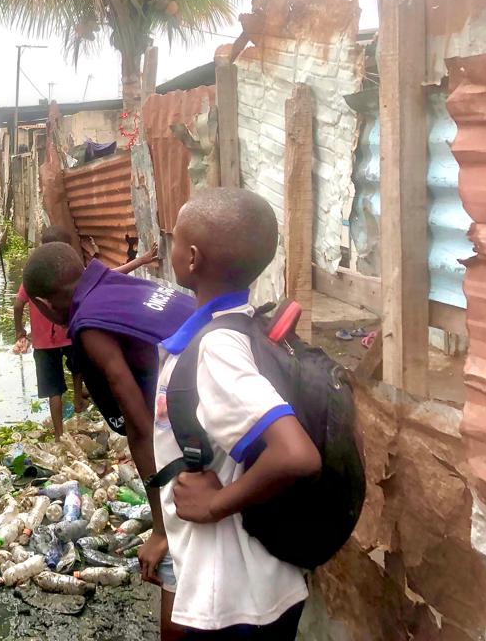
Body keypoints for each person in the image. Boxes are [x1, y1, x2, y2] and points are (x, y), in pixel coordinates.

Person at [154, 188, 320, 640]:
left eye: (172, 239)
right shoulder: (240, 326)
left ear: (191, 258)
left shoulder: (218, 350)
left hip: (234, 600)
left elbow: (296, 455)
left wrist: (214, 505)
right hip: (248, 586)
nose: (168, 247)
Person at [21, 242, 194, 587]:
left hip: (208, 420)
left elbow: (140, 427)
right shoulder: (121, 286)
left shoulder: (89, 327)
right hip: (233, 382)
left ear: (43, 305)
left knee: (174, 569)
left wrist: (161, 530)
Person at [14, 227, 160, 440]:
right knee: (77, 370)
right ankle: (78, 402)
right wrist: (140, 261)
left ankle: (58, 433)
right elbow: (111, 276)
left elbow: (18, 305)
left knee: (54, 388)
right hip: (67, 337)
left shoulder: (35, 277)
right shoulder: (67, 275)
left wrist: (20, 331)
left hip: (44, 343)